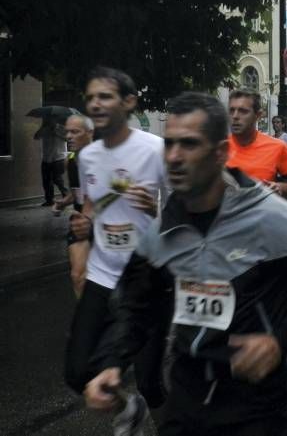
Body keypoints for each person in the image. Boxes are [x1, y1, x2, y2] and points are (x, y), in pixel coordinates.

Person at [84, 92, 287, 436]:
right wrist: (112, 362)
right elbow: (138, 302)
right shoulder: (168, 224)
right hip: (186, 394)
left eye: (189, 144)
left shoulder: (274, 220)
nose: (174, 157)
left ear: (220, 154)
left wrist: (281, 341)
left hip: (254, 406)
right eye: (169, 144)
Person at [64, 66, 168, 412]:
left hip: (147, 274)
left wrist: (154, 214)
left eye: (104, 96)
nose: (95, 103)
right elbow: (95, 200)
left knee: (151, 380)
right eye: (90, 97)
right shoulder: (89, 155)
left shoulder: (155, 149)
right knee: (77, 372)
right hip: (103, 272)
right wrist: (86, 221)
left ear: (129, 102)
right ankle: (128, 405)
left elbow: (186, 208)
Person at [226, 89, 287, 198]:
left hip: (263, 213)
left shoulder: (277, 147)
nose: (235, 116)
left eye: (243, 111)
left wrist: (280, 187)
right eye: (231, 110)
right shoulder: (218, 148)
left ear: (258, 115)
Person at [53, 113, 94, 296]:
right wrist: (63, 202)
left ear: (89, 133)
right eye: (67, 132)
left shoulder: (102, 159)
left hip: (103, 224)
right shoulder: (70, 160)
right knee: (78, 276)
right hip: (79, 222)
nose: (69, 136)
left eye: (75, 132)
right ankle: (86, 319)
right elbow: (76, 191)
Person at [35, 116, 68, 208]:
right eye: (47, 119)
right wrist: (42, 128)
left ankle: (67, 197)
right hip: (46, 158)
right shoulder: (44, 129)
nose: (49, 120)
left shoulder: (62, 128)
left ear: (55, 119)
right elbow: (36, 137)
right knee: (46, 181)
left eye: (51, 119)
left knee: (57, 179)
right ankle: (49, 200)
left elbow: (68, 139)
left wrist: (57, 133)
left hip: (59, 158)